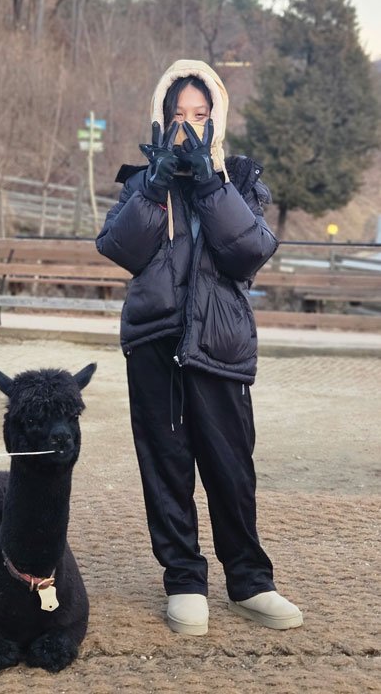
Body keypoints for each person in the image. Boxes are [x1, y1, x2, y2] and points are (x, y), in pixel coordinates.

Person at [96, 59, 303, 636]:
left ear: (217, 120)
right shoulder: (141, 182)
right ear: (162, 121)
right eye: (179, 115)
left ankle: (250, 582)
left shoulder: (238, 179)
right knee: (164, 467)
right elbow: (120, 247)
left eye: (200, 115)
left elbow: (249, 252)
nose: (188, 126)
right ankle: (185, 580)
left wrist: (210, 182)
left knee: (231, 468)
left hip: (220, 345)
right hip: (155, 344)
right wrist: (158, 182)